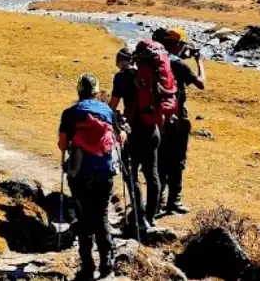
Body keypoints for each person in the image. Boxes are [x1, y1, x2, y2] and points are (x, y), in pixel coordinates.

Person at [109, 40, 175, 231]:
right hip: (153, 129)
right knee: (152, 174)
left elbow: (112, 105)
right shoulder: (149, 74)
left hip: (133, 131)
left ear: (121, 61)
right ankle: (151, 216)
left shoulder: (122, 77)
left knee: (131, 175)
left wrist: (116, 122)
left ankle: (138, 216)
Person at [58, 74, 117, 280]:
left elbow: (62, 145)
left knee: (83, 217)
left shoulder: (70, 113)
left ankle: (87, 266)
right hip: (105, 171)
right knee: (101, 216)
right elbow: (118, 137)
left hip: (80, 172)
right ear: (96, 91)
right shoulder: (108, 111)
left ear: (79, 91)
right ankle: (107, 265)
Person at [151, 28, 207, 214]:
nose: (183, 48)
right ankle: (174, 201)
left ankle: (157, 199)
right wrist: (199, 62)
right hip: (177, 118)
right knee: (177, 160)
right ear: (174, 45)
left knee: (160, 159)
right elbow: (201, 83)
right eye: (181, 44)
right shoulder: (179, 64)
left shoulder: (152, 60)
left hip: (156, 117)